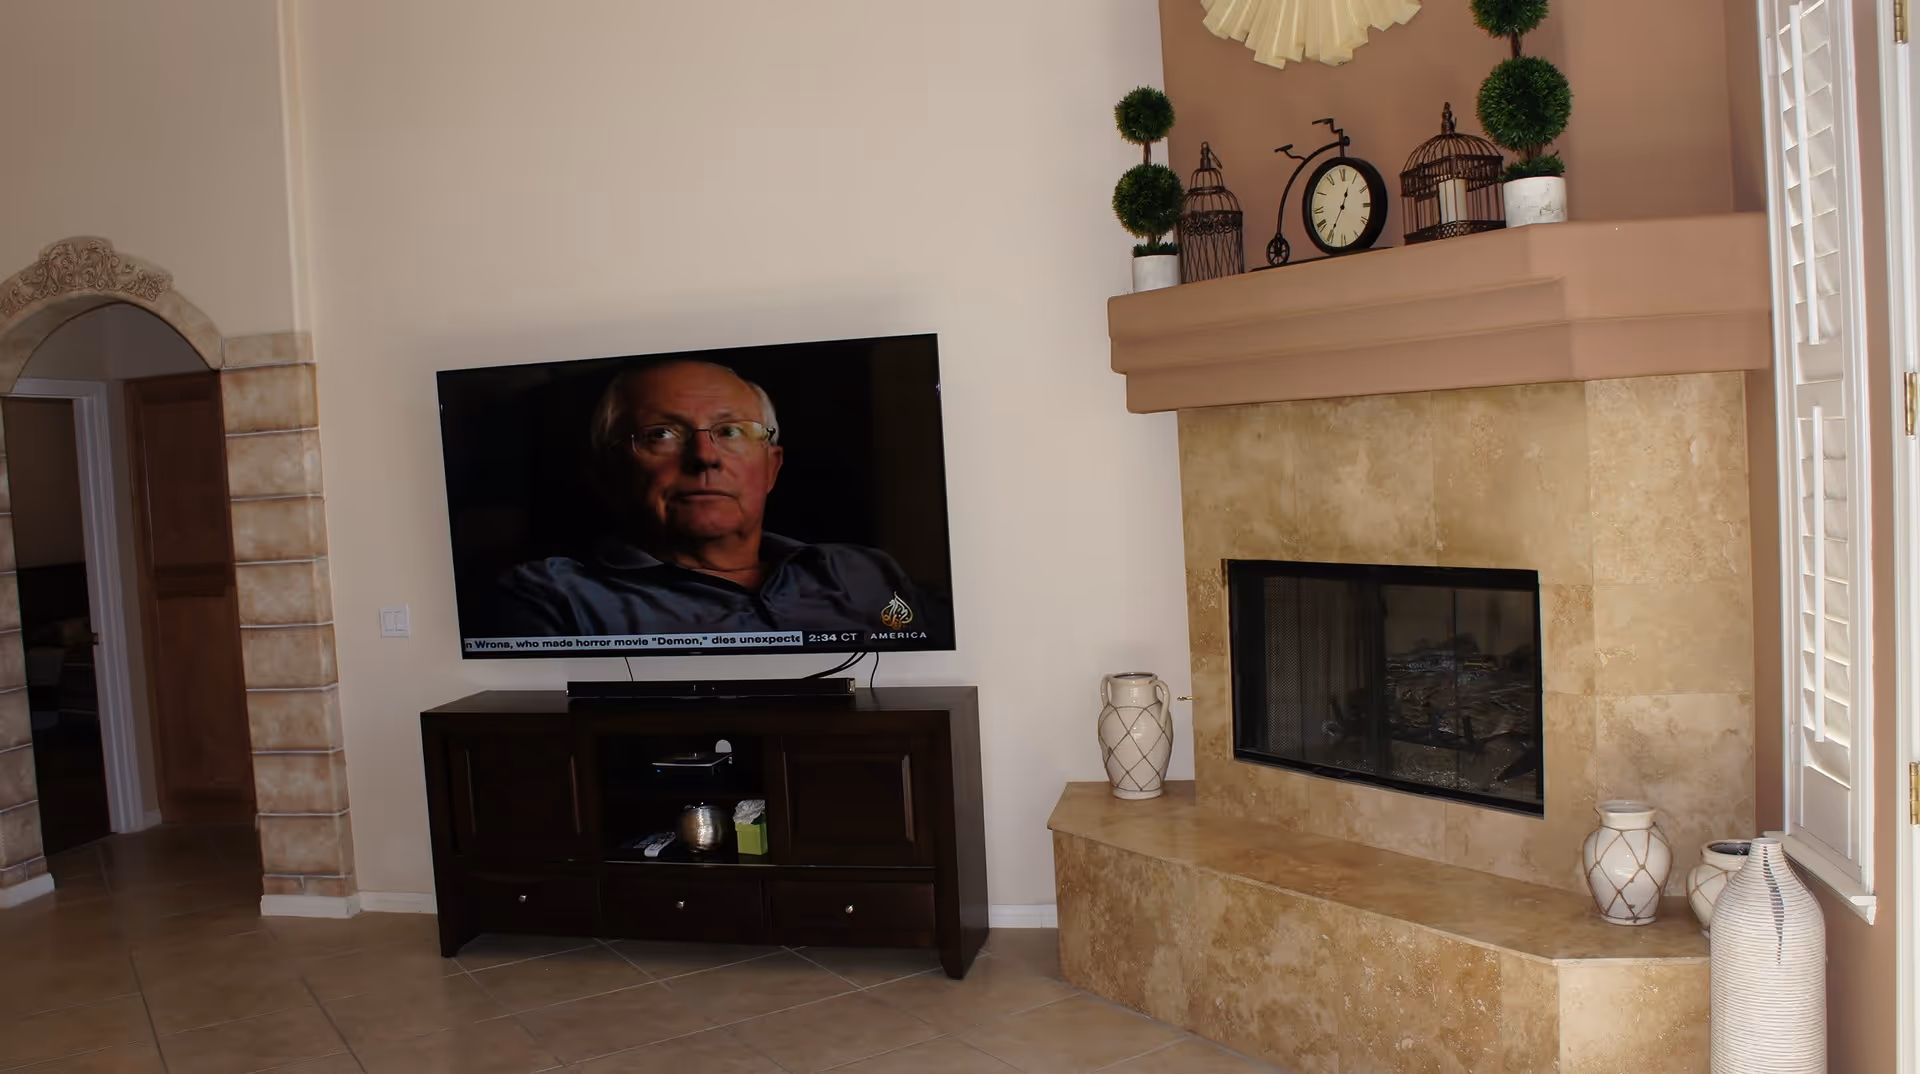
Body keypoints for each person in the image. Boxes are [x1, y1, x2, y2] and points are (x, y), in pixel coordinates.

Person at [491, 358, 924, 640]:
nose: (704, 458)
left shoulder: (865, 574)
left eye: (732, 431)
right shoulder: (552, 598)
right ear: (606, 475)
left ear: (772, 468)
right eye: (661, 434)